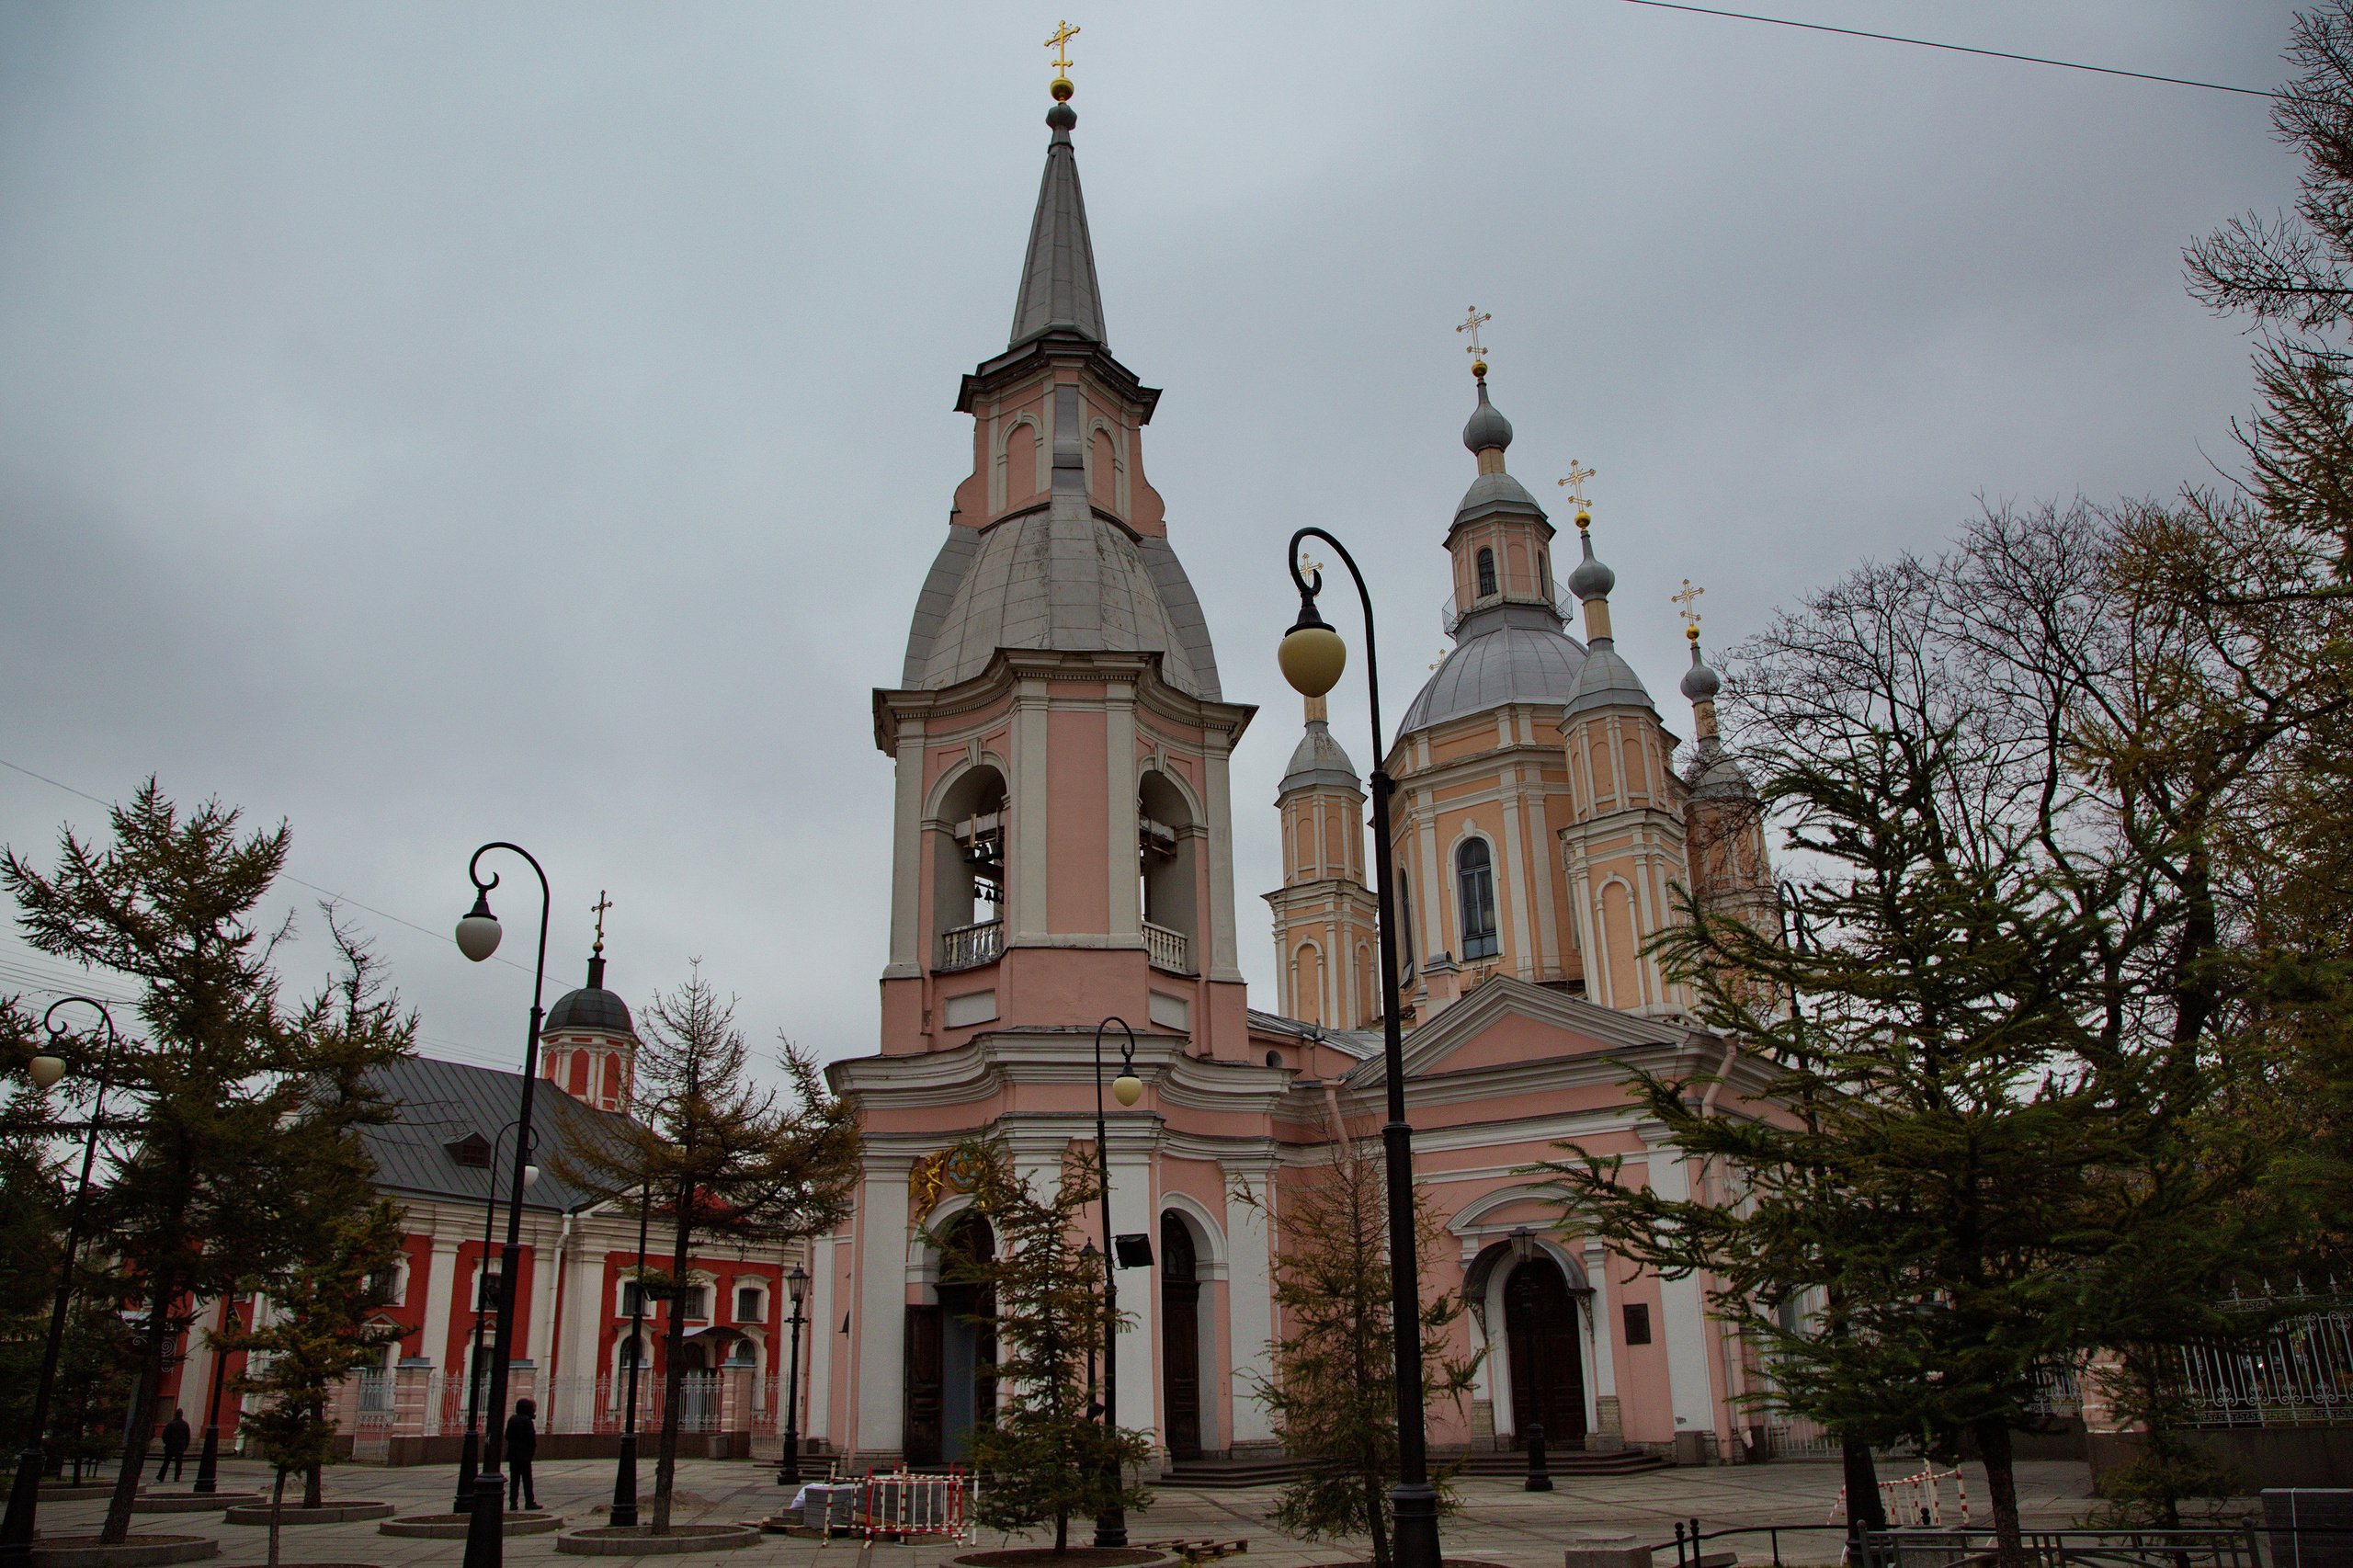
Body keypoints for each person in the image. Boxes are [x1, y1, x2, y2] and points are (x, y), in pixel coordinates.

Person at [503, 1397, 537, 1510]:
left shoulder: (512, 1419)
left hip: (513, 1454)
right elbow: (531, 1438)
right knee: (527, 1479)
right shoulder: (527, 1420)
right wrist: (531, 1450)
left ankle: (513, 1503)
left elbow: (507, 1435)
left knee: (514, 1480)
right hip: (525, 1455)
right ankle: (529, 1501)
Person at [156, 1409, 191, 1483]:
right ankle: (177, 1477)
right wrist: (185, 1446)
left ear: (175, 1414)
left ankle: (161, 1476)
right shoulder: (185, 1424)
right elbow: (188, 1437)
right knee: (178, 1463)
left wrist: (167, 1443)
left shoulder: (171, 1424)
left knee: (166, 1462)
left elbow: (164, 1436)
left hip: (170, 1447)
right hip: (180, 1447)